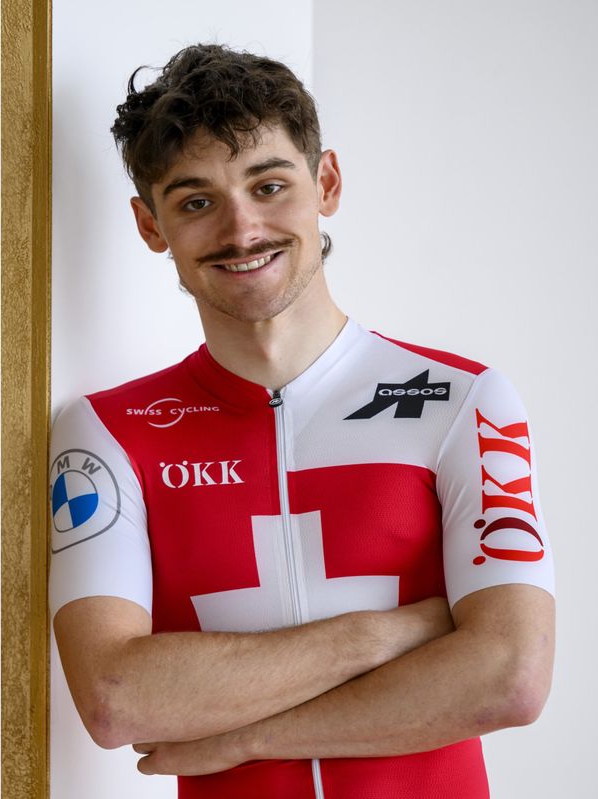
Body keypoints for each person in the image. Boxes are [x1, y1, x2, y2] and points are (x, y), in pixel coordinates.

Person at [49, 43, 554, 798]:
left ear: (327, 182)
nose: (241, 228)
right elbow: (119, 696)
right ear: (150, 226)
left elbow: (511, 676)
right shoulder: (106, 431)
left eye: (270, 184)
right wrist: (394, 631)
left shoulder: (466, 400)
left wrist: (247, 737)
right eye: (194, 201)